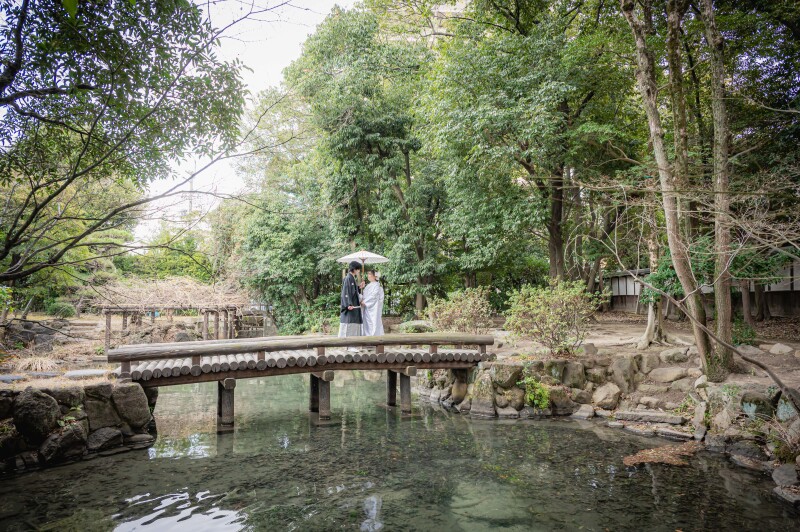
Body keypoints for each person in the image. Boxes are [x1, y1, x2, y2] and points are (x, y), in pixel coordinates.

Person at [338, 261, 363, 343]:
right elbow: (346, 292)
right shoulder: (348, 278)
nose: (359, 271)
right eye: (358, 269)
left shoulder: (351, 278)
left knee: (353, 325)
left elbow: (353, 291)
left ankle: (353, 344)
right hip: (350, 307)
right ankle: (348, 344)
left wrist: (359, 287)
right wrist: (348, 304)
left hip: (353, 306)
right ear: (355, 269)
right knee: (349, 324)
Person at [361, 270, 385, 336]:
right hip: (367, 307)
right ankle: (367, 336)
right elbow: (365, 295)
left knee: (373, 321)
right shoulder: (368, 285)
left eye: (370, 274)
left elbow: (374, 296)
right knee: (367, 322)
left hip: (373, 308)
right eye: (368, 274)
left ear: (375, 276)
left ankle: (374, 336)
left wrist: (365, 302)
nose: (368, 276)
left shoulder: (377, 286)